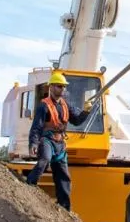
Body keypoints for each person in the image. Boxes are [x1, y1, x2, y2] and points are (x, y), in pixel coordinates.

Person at [24, 70, 94, 211]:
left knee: (64, 176)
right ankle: (28, 185)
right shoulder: (44, 105)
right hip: (47, 140)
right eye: (58, 86)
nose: (62, 89)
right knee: (44, 160)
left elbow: (77, 121)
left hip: (60, 144)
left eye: (63, 86)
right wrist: (33, 143)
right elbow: (36, 127)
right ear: (51, 87)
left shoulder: (65, 105)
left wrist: (86, 111)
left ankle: (64, 207)